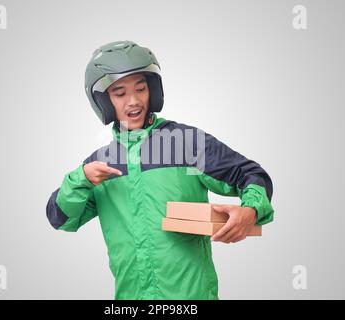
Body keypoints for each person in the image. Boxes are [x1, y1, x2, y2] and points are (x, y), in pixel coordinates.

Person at [46, 40, 275, 300]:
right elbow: (59, 218)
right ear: (104, 101)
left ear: (152, 91)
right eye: (119, 93)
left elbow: (251, 175)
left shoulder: (186, 144)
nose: (133, 101)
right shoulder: (100, 166)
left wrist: (252, 210)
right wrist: (81, 179)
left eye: (141, 89)